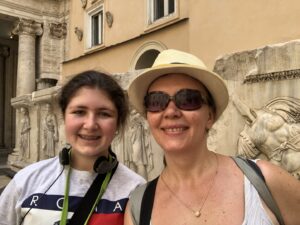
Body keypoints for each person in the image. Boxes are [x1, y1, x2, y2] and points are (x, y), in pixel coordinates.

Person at [124, 49, 300, 225]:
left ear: (209, 116)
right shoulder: (138, 209)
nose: (171, 111)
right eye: (156, 102)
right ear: (148, 116)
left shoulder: (267, 180)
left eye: (188, 99)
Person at [0, 70, 145, 225]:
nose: (90, 125)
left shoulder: (136, 190)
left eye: (104, 114)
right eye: (79, 112)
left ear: (118, 123)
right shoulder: (26, 180)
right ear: (64, 116)